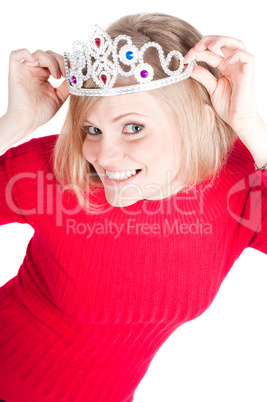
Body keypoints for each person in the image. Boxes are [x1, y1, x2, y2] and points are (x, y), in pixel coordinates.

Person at [0, 12, 266, 402]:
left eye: (133, 127)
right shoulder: (56, 168)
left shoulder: (239, 181)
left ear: (202, 121)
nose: (103, 155)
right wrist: (13, 123)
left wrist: (252, 127)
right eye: (92, 129)